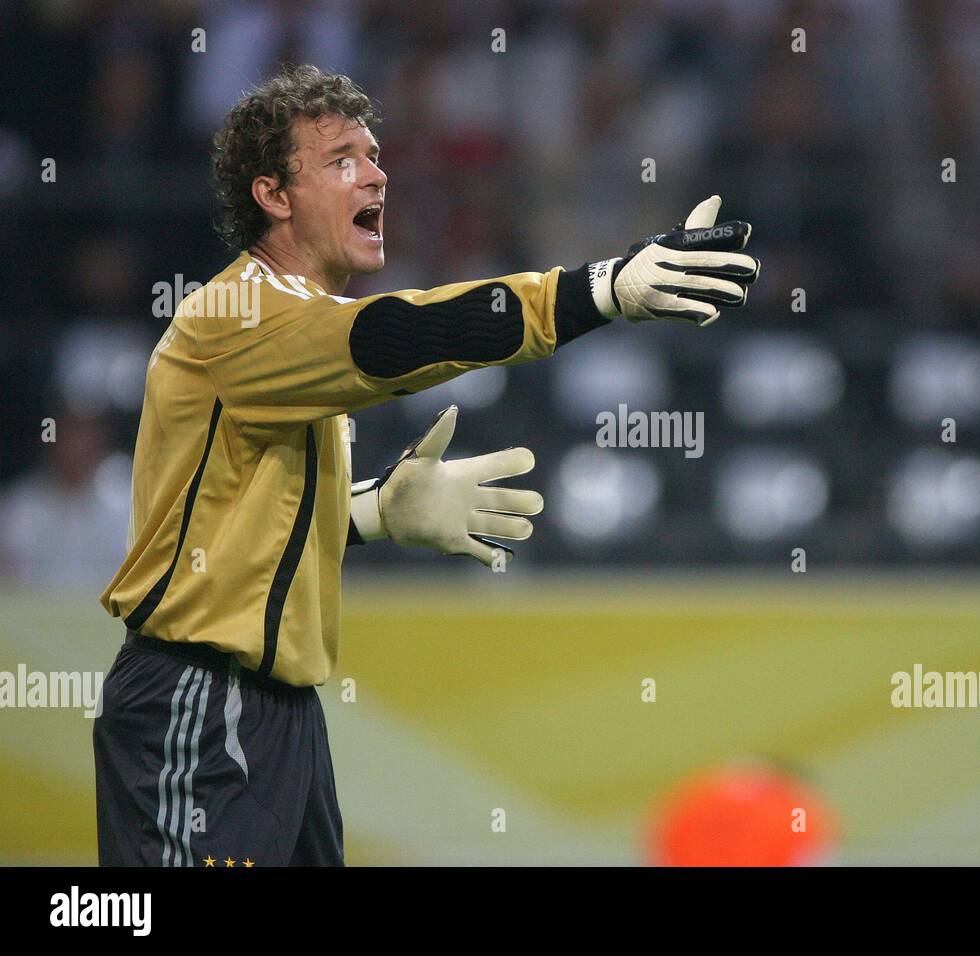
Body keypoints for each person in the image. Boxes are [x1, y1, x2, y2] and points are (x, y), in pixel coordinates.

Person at [93, 64, 759, 866]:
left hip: (281, 716)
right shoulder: (238, 317)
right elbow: (403, 338)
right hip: (197, 702)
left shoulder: (293, 330)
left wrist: (376, 511)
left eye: (374, 155)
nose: (376, 172)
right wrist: (602, 289)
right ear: (274, 195)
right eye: (340, 159)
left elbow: (244, 527)